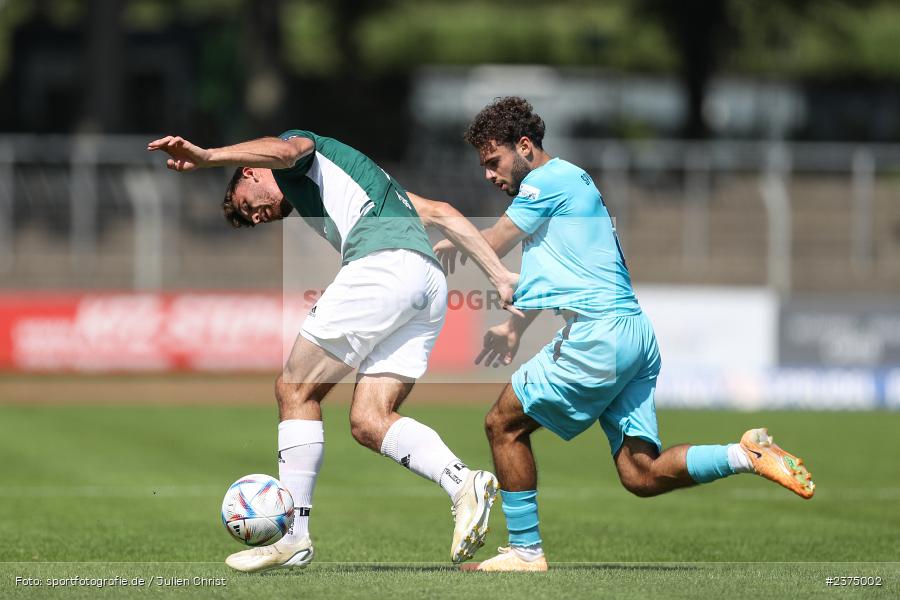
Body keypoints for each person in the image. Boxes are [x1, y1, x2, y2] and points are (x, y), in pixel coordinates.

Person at [434, 97, 815, 572]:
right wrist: (514, 327)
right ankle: (746, 454)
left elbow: (492, 241)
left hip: (601, 336)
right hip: (634, 336)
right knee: (641, 474)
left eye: (494, 161)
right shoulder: (560, 190)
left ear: (525, 147)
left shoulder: (548, 182)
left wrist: (444, 240)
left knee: (502, 424)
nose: (490, 175)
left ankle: (525, 552)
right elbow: (545, 276)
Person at [148, 130, 521, 572]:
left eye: (250, 205)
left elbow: (286, 151)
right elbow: (441, 212)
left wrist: (207, 156)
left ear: (249, 171)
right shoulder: (368, 180)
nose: (261, 216)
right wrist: (498, 274)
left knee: (294, 390)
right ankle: (464, 482)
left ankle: (293, 538)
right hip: (425, 281)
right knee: (370, 420)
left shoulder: (297, 152)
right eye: (255, 221)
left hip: (383, 267)